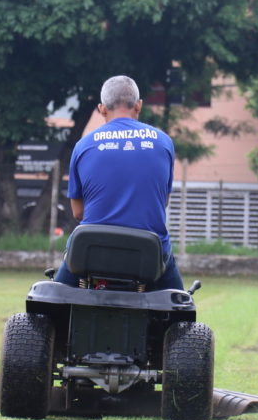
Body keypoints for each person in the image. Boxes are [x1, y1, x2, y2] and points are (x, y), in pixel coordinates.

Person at [53, 75, 184, 290]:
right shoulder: (163, 143)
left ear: (101, 108)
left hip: (91, 250)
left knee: (50, 304)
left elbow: (78, 213)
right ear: (139, 105)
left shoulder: (84, 145)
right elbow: (163, 201)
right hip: (150, 252)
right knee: (182, 308)